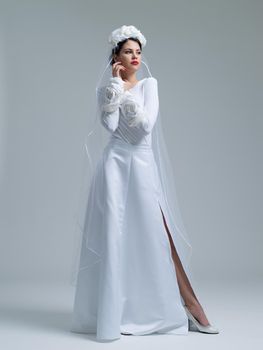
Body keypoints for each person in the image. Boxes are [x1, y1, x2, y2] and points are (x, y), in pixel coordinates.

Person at [70, 25, 219, 341]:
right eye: (128, 52)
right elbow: (111, 127)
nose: (135, 57)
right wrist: (114, 88)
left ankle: (185, 307)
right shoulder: (106, 89)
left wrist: (126, 94)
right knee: (114, 235)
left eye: (138, 52)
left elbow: (145, 127)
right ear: (116, 57)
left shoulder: (149, 86)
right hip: (113, 166)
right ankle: (112, 316)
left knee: (155, 234)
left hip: (141, 164)